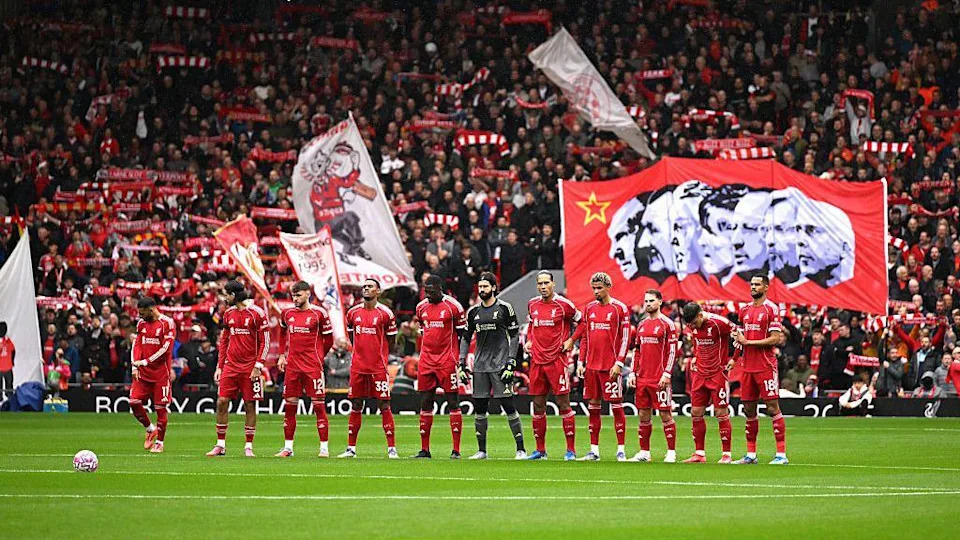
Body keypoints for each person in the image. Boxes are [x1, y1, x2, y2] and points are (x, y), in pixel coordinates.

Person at [562, 272, 630, 461]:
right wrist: (581, 361)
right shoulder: (589, 308)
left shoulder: (619, 309)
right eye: (594, 288)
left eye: (599, 288)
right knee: (593, 407)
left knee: (616, 407)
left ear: (608, 287)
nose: (596, 292)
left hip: (611, 367)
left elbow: (625, 338)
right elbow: (585, 336)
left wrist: (619, 362)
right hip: (592, 366)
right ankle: (594, 450)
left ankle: (621, 449)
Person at [459, 272, 527, 460]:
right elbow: (465, 338)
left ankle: (521, 449)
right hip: (480, 367)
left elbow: (514, 336)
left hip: (500, 366)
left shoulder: (505, 308)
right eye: (480, 287)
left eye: (485, 287)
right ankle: (482, 451)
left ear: (494, 288)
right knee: (480, 408)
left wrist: (511, 362)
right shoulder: (473, 312)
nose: (482, 290)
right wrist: (461, 363)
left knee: (508, 405)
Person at [207, 281, 269, 457]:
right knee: (222, 402)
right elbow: (224, 341)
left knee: (250, 404)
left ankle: (248, 446)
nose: (224, 298)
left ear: (234, 295)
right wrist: (220, 366)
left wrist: (259, 365)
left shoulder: (257, 313)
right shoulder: (228, 314)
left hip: (251, 367)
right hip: (231, 366)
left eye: (226, 294)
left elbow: (265, 341)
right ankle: (220, 445)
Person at [524, 270, 581, 460]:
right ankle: (540, 451)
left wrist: (572, 340)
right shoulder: (532, 304)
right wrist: (530, 340)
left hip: (557, 361)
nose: (543, 286)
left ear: (553, 284)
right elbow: (532, 325)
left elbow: (582, 322)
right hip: (537, 362)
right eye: (540, 283)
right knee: (538, 405)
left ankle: (571, 450)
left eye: (546, 283)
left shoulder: (565, 305)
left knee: (563, 404)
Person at [339, 278, 399, 459]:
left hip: (378, 367)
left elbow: (392, 340)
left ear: (378, 291)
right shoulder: (352, 313)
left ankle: (391, 449)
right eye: (364, 286)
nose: (366, 288)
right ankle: (351, 449)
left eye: (370, 286)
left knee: (384, 404)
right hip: (358, 367)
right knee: (356, 404)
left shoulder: (385, 314)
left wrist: (381, 355)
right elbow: (351, 336)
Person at [274, 281, 334, 458]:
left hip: (312, 366)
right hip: (292, 366)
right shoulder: (287, 314)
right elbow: (282, 333)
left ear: (308, 293)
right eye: (293, 295)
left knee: (318, 406)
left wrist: (320, 356)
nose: (295, 298)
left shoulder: (319, 313)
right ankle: (288, 448)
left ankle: (324, 448)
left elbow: (328, 339)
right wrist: (282, 355)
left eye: (298, 295)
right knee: (290, 406)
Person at [733, 275, 789, 465]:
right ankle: (751, 454)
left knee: (772, 407)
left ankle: (781, 455)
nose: (753, 287)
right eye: (752, 284)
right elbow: (740, 339)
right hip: (747, 366)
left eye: (757, 284)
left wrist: (749, 342)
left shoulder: (771, 309)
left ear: (766, 287)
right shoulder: (744, 310)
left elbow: (775, 338)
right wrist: (734, 358)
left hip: (765, 365)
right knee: (749, 410)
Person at [412, 275, 466, 459]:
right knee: (425, 402)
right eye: (426, 291)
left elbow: (462, 334)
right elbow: (423, 329)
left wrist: (459, 359)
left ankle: (456, 450)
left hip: (447, 361)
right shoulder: (421, 307)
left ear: (440, 288)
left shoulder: (453, 307)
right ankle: (424, 449)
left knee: (453, 402)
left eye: (431, 291)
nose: (428, 295)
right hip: (426, 361)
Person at [680, 303, 735, 463]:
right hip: (700, 375)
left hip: (717, 374)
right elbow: (697, 341)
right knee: (696, 413)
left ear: (700, 315)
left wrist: (734, 358)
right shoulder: (692, 325)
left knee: (721, 413)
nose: (693, 326)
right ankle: (699, 454)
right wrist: (696, 355)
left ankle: (726, 454)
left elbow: (738, 334)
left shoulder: (719, 323)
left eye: (694, 323)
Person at [628, 289, 679, 463]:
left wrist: (667, 373)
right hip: (643, 377)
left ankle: (671, 452)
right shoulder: (641, 324)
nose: (648, 304)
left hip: (659, 378)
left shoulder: (667, 324)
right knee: (643, 414)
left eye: (651, 301)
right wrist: (633, 372)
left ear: (660, 302)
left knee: (665, 414)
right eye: (646, 301)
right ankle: (644, 452)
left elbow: (673, 350)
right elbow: (637, 351)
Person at [129, 298, 176, 453]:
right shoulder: (141, 324)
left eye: (142, 313)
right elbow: (137, 344)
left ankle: (160, 443)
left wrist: (146, 361)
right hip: (142, 372)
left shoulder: (167, 323)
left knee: (160, 408)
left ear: (151, 309)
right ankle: (150, 429)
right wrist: (135, 365)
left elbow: (166, 349)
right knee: (134, 402)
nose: (140, 316)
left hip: (161, 374)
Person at [0, 321, 15, 394]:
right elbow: (13, 351)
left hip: (5, 367)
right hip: (8, 367)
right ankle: (9, 397)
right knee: (9, 385)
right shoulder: (7, 340)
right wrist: (12, 361)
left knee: (7, 385)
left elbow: (13, 350)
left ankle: (3, 397)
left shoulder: (7, 340)